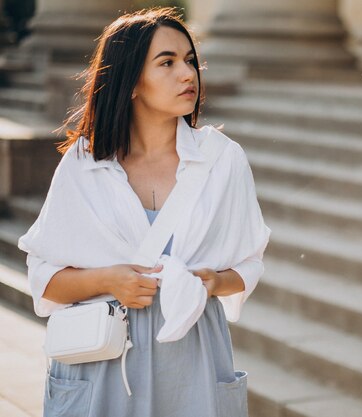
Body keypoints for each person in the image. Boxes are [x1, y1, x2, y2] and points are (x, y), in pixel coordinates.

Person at [17, 7, 270, 417]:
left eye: (189, 60)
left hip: (192, 356)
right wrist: (108, 280)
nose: (187, 73)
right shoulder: (85, 164)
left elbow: (249, 264)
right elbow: (44, 279)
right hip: (102, 361)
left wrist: (213, 281)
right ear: (131, 81)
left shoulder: (222, 159)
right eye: (167, 63)